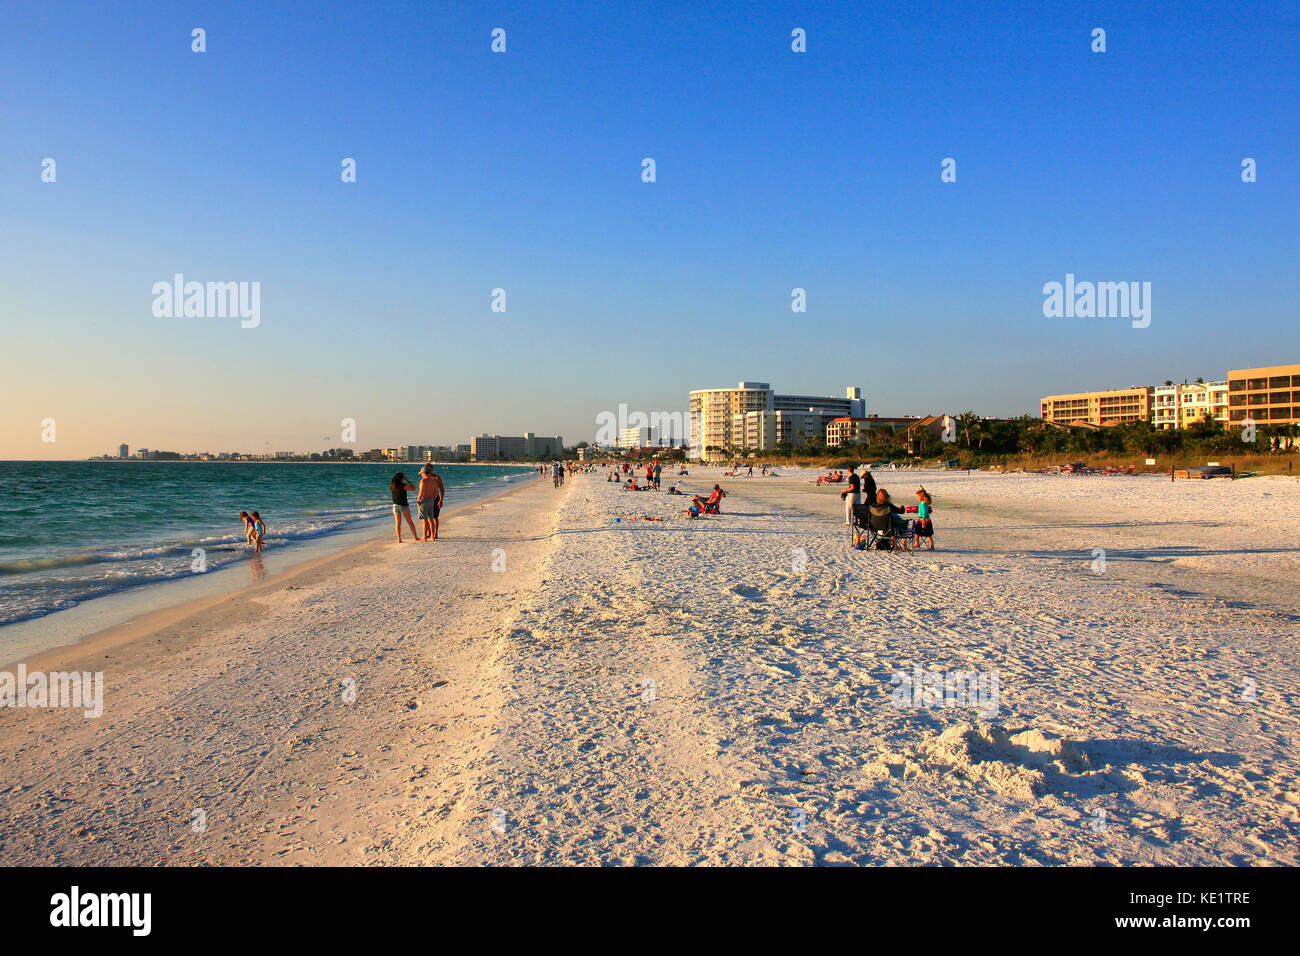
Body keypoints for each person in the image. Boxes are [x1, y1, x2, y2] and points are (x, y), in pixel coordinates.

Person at [417, 464, 445, 541]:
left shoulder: (436, 478)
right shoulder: (430, 479)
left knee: (433, 517)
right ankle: (430, 534)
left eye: (430, 468)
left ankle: (434, 534)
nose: (429, 470)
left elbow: (441, 490)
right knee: (429, 518)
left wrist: (440, 500)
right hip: (431, 499)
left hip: (433, 499)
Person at [391, 472, 419, 542]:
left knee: (398, 523)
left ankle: (399, 539)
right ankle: (415, 537)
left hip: (395, 505)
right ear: (401, 478)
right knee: (410, 521)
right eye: (403, 477)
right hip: (403, 505)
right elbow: (414, 488)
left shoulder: (392, 486)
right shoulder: (403, 485)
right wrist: (408, 480)